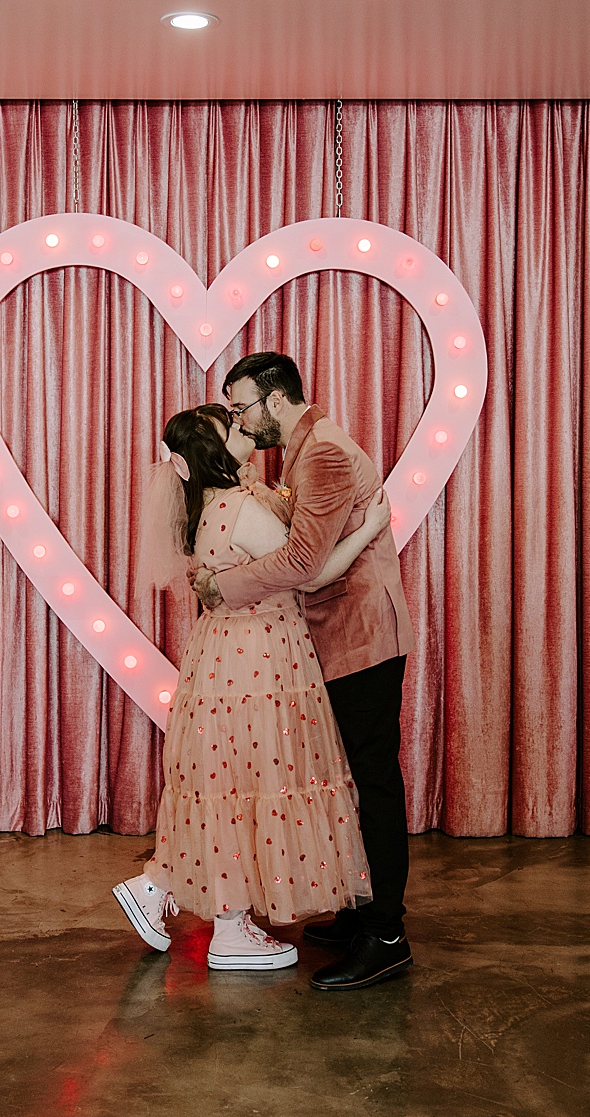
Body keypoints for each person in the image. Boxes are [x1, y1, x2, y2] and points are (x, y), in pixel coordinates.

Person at [113, 404, 392, 972]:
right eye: (234, 430)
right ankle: (226, 927)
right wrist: (367, 529)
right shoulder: (239, 508)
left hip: (220, 659)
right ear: (216, 455)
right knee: (256, 782)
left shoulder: (207, 508)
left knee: (226, 782)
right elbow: (308, 571)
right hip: (260, 659)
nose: (246, 432)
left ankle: (166, 890)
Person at [192, 354, 415, 992]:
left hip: (360, 638)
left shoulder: (322, 454)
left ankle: (388, 934)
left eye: (241, 407)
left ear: (276, 398)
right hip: (333, 638)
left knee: (372, 779)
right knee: (346, 775)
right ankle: (361, 909)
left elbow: (303, 561)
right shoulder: (302, 449)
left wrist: (221, 584)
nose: (236, 418)